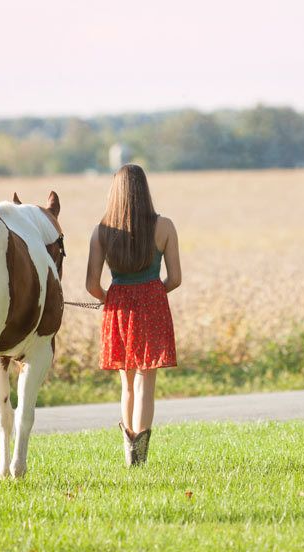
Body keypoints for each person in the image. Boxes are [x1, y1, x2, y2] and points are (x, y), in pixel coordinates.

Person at [86, 164, 181, 466]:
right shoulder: (164, 226)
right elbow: (175, 278)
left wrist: (113, 299)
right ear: (144, 190)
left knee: (126, 384)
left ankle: (130, 453)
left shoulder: (101, 231)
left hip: (118, 307)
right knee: (145, 384)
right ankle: (139, 457)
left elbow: (91, 285)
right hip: (153, 305)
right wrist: (153, 292)